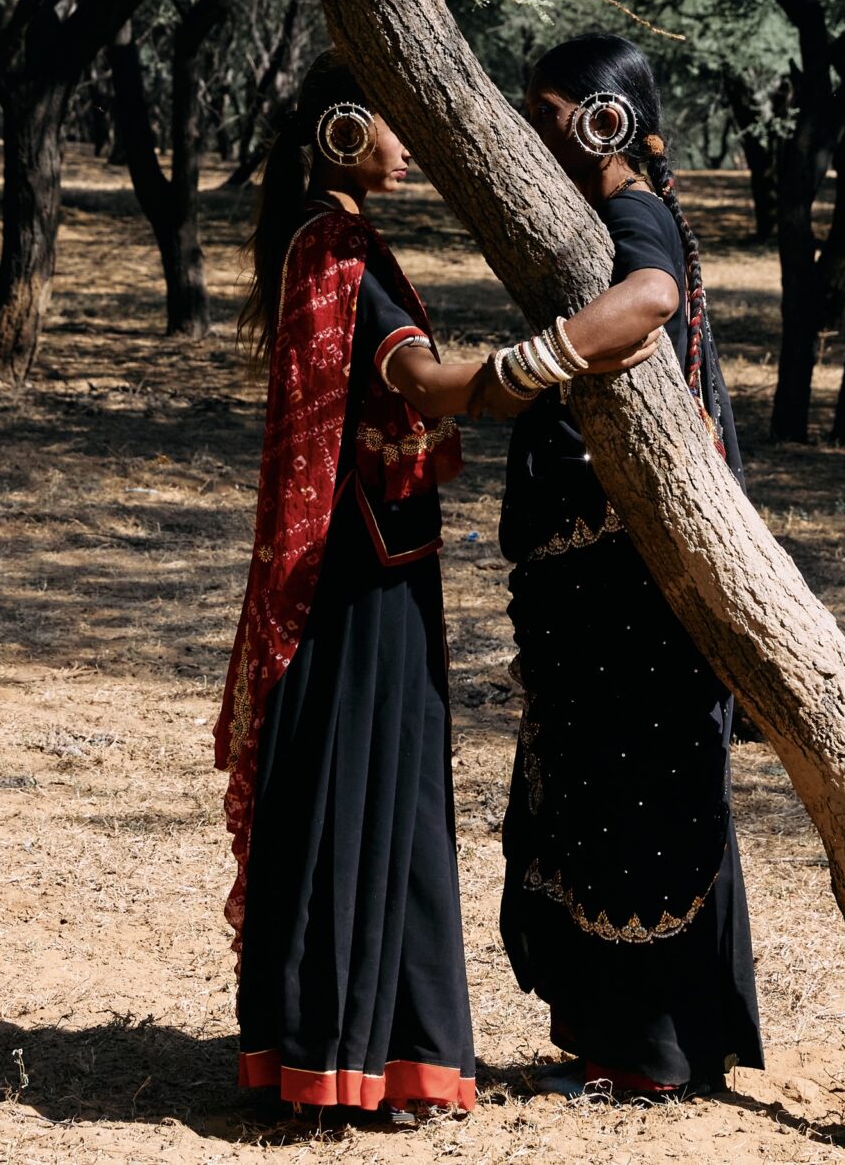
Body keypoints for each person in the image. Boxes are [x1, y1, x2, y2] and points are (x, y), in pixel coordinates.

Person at [221, 55, 613, 1120]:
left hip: (365, 554)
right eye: (397, 125)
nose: (412, 148)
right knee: (367, 791)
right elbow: (423, 384)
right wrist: (564, 353)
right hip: (359, 575)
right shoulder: (338, 245)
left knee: (367, 793)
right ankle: (352, 1060)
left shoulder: (325, 235)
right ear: (345, 132)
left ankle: (357, 1054)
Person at [492, 32, 764, 1099]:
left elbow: (648, 297)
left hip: (622, 590)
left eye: (548, 114)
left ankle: (646, 1055)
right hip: (604, 585)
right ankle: (625, 1045)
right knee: (611, 794)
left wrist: (524, 368)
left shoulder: (632, 214)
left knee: (631, 799)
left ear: (605, 121)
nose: (533, 134)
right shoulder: (609, 216)